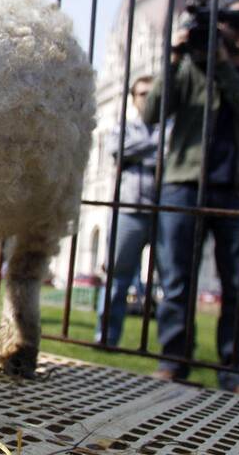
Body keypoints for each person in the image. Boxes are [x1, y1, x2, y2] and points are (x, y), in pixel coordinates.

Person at [143, 0, 239, 397]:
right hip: (184, 184)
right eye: (230, 20)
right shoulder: (189, 67)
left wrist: (221, 65)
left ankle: (235, 371)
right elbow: (152, 112)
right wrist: (174, 57)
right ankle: (174, 361)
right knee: (177, 279)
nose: (236, 29)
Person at [96, 76, 161, 346]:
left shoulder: (170, 127)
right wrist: (156, 146)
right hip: (128, 207)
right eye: (141, 93)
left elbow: (172, 153)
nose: (146, 98)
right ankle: (107, 338)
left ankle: (171, 349)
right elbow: (116, 149)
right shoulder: (124, 128)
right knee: (117, 277)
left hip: (164, 209)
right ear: (133, 99)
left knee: (174, 280)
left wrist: (135, 151)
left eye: (151, 93)